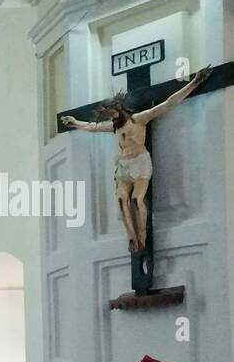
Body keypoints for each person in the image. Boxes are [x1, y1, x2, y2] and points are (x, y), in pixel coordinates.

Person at [61, 66, 210, 253]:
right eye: (109, 116)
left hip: (140, 163)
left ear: (120, 109)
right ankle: (131, 238)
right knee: (121, 199)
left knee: (136, 199)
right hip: (123, 166)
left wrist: (195, 82)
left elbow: (167, 104)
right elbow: (92, 127)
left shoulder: (139, 119)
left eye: (113, 114)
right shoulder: (115, 127)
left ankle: (142, 236)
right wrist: (75, 122)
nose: (112, 118)